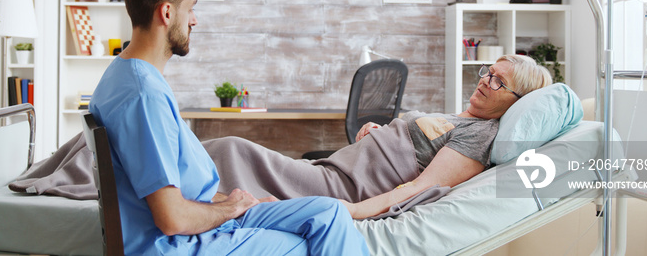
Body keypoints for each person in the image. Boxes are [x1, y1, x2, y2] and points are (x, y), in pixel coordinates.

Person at [89, 0, 369, 256]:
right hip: (176, 245)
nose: (194, 20)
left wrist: (233, 203)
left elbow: (178, 192)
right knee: (309, 245)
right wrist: (232, 208)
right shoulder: (143, 96)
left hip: (203, 221)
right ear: (167, 13)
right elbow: (172, 219)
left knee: (330, 213)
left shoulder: (123, 74)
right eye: (191, 8)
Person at [209, 54, 552, 220]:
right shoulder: (460, 116)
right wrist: (376, 135)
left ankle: (174, 193)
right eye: (487, 72)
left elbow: (423, 186)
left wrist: (353, 211)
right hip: (338, 167)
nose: (483, 81)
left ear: (515, 100)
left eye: (497, 82)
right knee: (235, 153)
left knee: (233, 148)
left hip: (343, 186)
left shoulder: (480, 134)